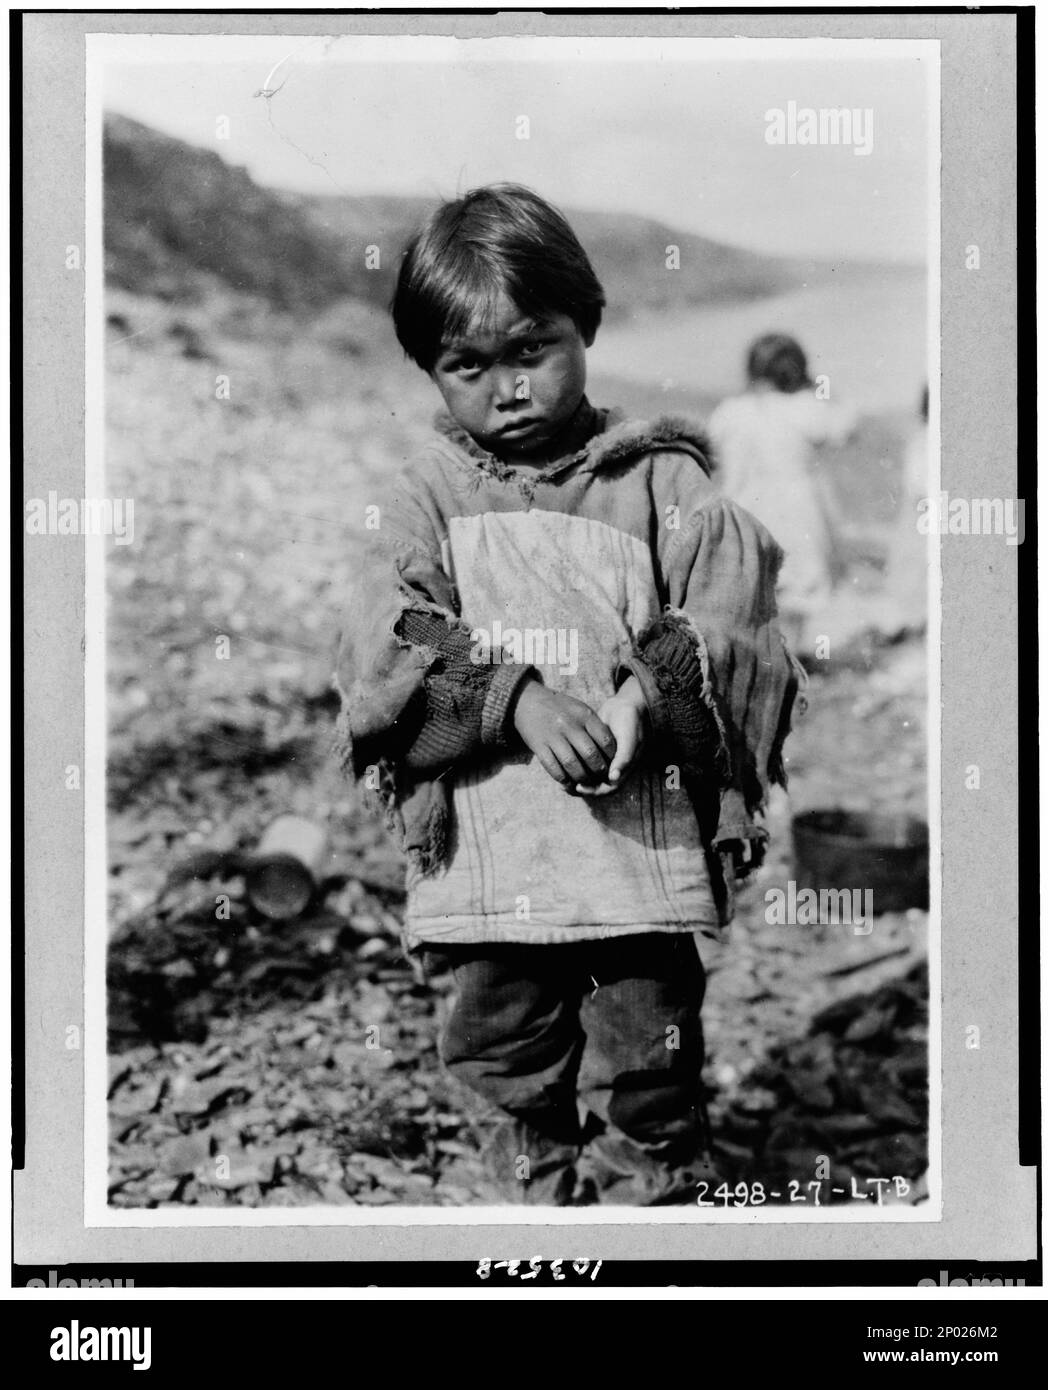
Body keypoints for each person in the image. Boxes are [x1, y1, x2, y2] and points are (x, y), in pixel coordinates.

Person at [334, 185, 804, 1205]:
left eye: (532, 348)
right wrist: (514, 699)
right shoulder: (428, 494)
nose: (508, 388)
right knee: (502, 1063)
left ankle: (646, 1229)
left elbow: (731, 604)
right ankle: (534, 1230)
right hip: (488, 867)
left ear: (584, 324)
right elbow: (389, 626)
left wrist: (650, 693)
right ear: (429, 368)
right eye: (469, 364)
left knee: (647, 1067)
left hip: (634, 863)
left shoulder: (655, 479)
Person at [708, 333, 856, 652]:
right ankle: (790, 655)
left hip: (744, 505)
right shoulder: (805, 408)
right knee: (798, 584)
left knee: (754, 582)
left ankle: (761, 653)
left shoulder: (730, 411)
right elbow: (846, 426)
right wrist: (821, 390)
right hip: (797, 510)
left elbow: (713, 449)